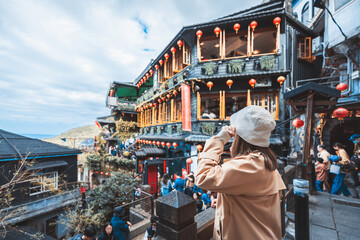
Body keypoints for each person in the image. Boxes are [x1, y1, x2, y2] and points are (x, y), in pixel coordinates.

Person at [195, 105, 286, 239]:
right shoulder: (263, 162)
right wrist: (224, 201)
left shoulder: (249, 166)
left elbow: (203, 177)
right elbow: (251, 201)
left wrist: (219, 140)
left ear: (241, 140)